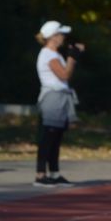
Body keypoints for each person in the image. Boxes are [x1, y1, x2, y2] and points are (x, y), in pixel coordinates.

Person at [34, 20, 82, 187]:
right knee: (48, 136)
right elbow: (64, 75)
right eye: (61, 34)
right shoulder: (48, 54)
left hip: (61, 97)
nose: (63, 37)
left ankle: (54, 173)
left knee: (56, 137)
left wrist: (71, 56)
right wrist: (72, 57)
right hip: (53, 98)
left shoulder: (54, 54)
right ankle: (40, 175)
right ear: (53, 36)